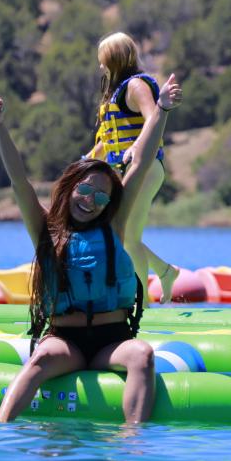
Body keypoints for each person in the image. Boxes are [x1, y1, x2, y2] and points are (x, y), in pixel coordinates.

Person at [0, 74, 182, 423]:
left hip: (112, 339)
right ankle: (2, 423)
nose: (91, 202)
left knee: (143, 356)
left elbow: (142, 162)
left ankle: (132, 441)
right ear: (70, 188)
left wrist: (161, 110)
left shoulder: (113, 224)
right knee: (40, 360)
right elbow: (18, 180)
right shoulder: (45, 229)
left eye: (101, 197)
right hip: (66, 339)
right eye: (85, 192)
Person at [90, 32, 180, 304]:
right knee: (120, 233)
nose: (100, 67)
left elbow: (154, 117)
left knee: (128, 235)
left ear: (115, 59)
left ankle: (140, 304)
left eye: (103, 61)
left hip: (146, 167)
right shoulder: (114, 93)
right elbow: (109, 140)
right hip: (126, 170)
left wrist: (135, 148)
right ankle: (165, 271)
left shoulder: (136, 86)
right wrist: (87, 160)